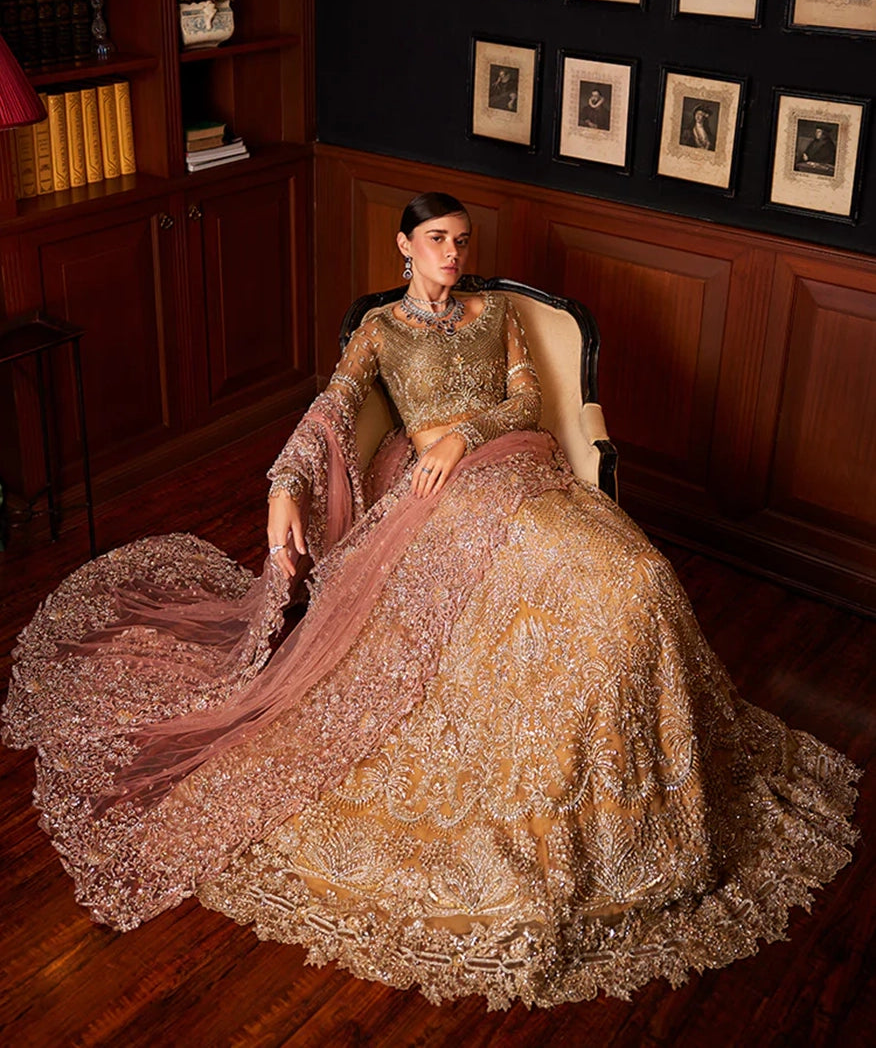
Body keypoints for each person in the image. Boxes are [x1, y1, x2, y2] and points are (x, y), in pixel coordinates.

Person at [2, 192, 859, 1010]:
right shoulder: (379, 330)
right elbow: (332, 407)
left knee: (639, 580)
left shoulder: (497, 314)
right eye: (437, 239)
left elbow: (527, 400)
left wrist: (462, 436)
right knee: (572, 596)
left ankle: (648, 793)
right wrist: (283, 485)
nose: (452, 253)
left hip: (514, 464)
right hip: (437, 494)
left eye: (461, 240)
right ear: (404, 248)